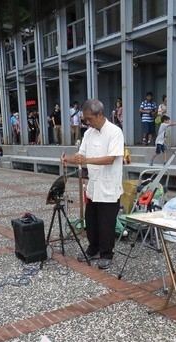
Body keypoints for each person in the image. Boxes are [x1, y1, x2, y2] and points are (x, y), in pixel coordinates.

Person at [61, 99, 124, 270]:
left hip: (109, 185)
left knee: (106, 222)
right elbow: (81, 155)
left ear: (100, 115)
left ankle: (106, 253)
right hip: (93, 186)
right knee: (92, 220)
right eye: (85, 119)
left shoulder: (114, 132)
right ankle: (93, 248)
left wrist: (87, 160)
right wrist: (68, 159)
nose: (87, 122)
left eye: (89, 118)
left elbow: (111, 159)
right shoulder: (89, 133)